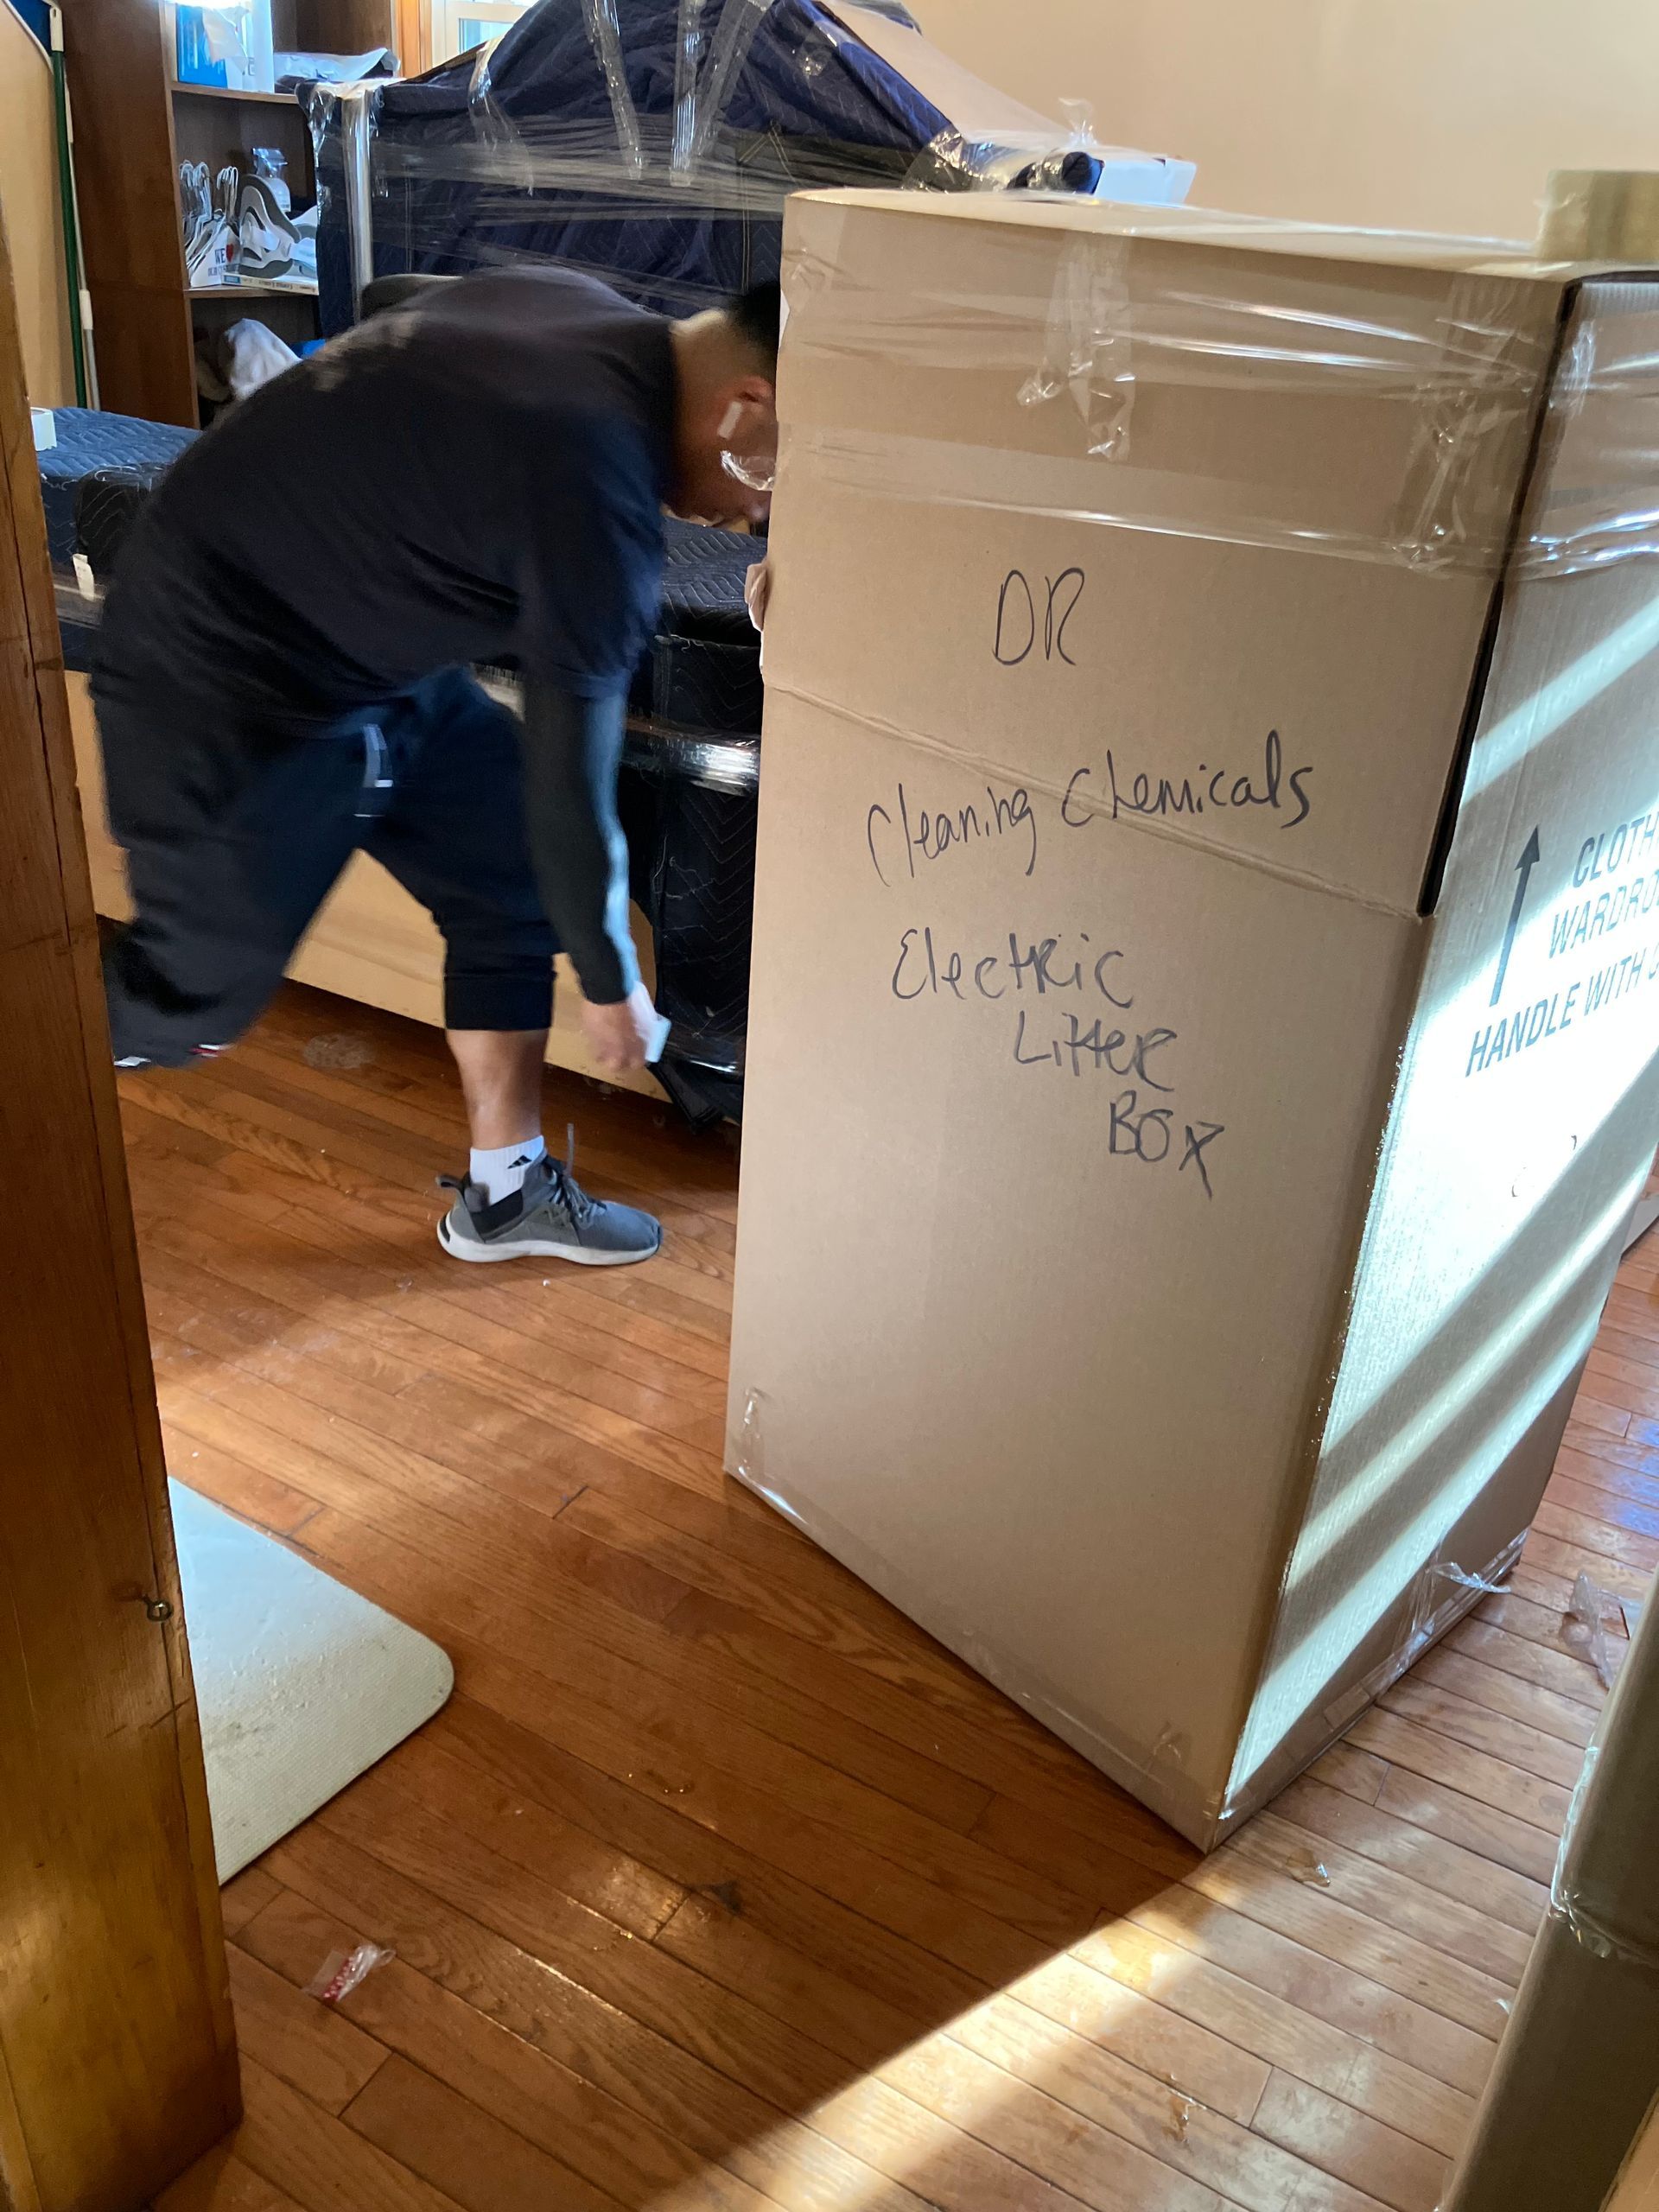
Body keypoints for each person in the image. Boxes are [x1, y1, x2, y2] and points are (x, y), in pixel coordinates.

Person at [92, 268, 779, 1266]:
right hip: (214, 682)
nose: (756, 517)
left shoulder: (575, 306)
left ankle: (505, 1194)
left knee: (507, 872)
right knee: (192, 1004)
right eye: (774, 476)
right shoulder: (593, 479)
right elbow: (571, 792)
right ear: (743, 406)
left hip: (364, 652)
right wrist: (611, 975)